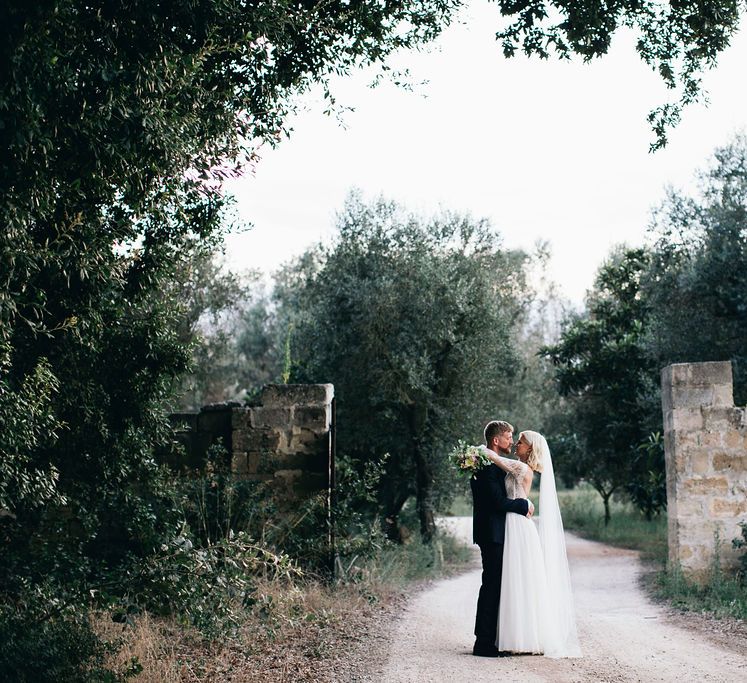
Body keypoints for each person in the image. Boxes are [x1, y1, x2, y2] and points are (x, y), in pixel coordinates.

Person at [480, 430, 582, 658]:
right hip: (511, 523)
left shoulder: (523, 468)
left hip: (517, 526)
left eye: (521, 442)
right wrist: (525, 501)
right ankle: (512, 634)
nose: (516, 444)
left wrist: (476, 451)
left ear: (531, 448)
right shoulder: (518, 466)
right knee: (514, 580)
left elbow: (493, 457)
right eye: (516, 441)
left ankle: (522, 637)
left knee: (519, 579)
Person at [470, 420, 534, 657]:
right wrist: (524, 504)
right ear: (496, 440)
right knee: (492, 585)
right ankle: (483, 643)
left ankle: (492, 638)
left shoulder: (492, 463)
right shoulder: (486, 467)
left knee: (496, 584)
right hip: (492, 533)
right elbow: (497, 502)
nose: (511, 441)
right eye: (509, 437)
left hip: (497, 532)